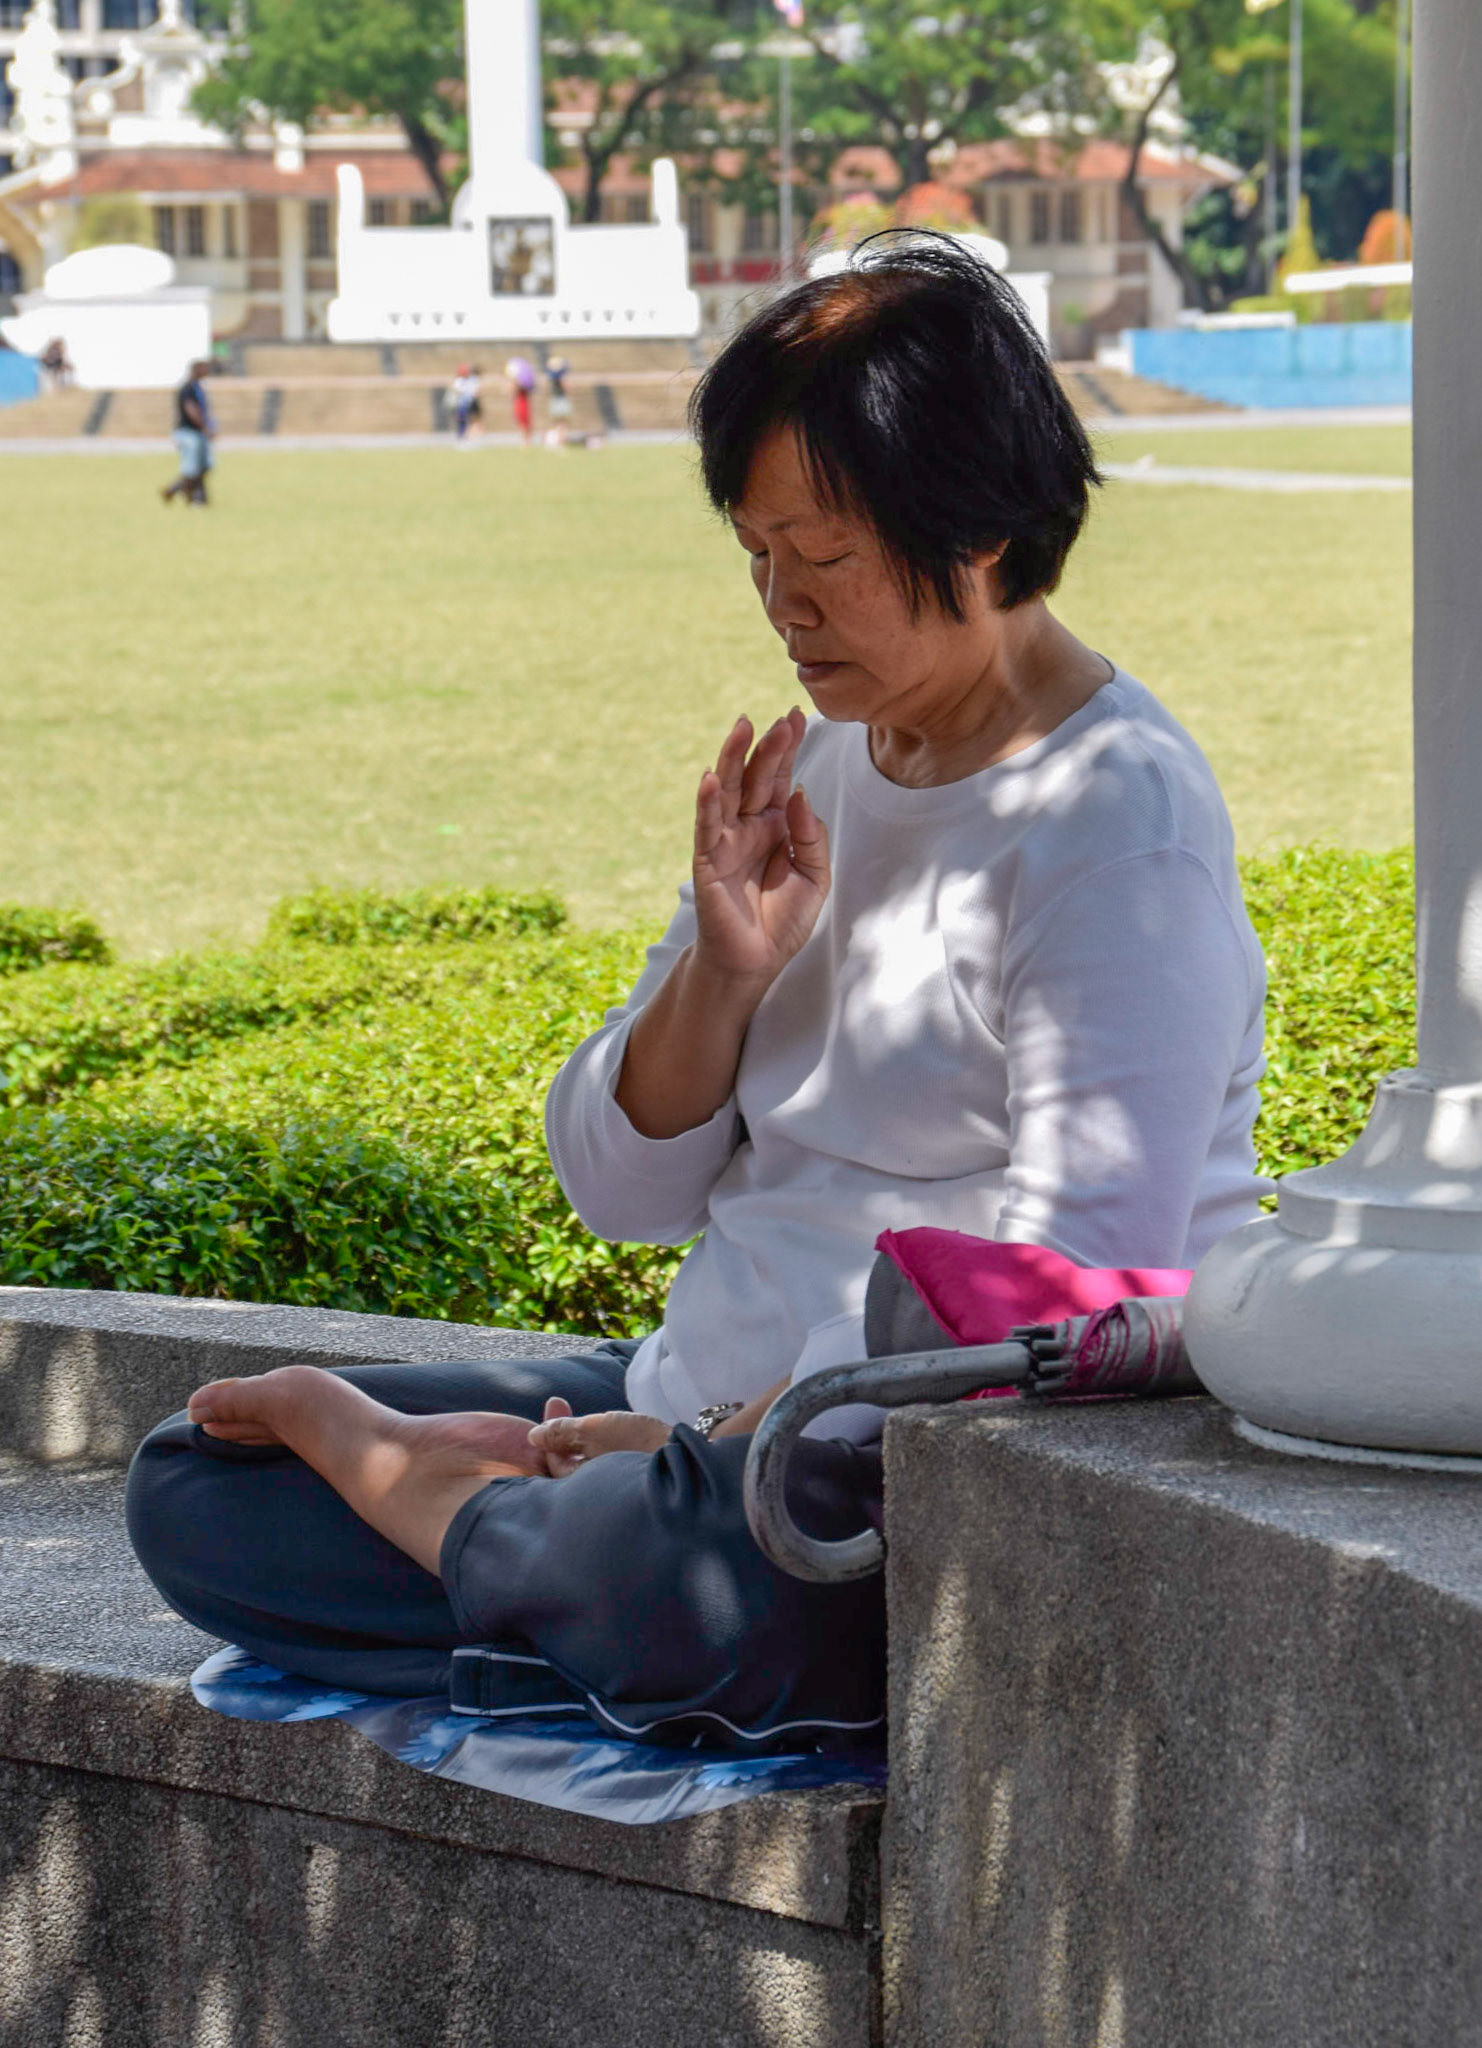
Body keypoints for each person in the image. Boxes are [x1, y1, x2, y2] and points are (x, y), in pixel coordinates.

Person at [127, 236, 1266, 1748]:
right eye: (756, 554)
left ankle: (514, 1549)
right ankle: (542, 1577)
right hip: (686, 1409)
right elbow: (619, 1191)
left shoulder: (1113, 826)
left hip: (864, 1482)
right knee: (193, 1475)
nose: (781, 606)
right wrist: (727, 972)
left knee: (716, 1578)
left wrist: (694, 1445)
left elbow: (1035, 1316)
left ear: (978, 532)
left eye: (827, 554)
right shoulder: (826, 762)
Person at [161, 359, 216, 507]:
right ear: (196, 369)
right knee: (192, 468)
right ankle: (188, 496)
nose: (207, 371)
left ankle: (182, 492)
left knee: (204, 466)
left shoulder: (198, 387)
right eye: (204, 368)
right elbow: (190, 409)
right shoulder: (187, 388)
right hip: (189, 433)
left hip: (198, 433)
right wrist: (204, 427)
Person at [448, 363, 483, 443]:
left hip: (470, 403)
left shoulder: (472, 380)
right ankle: (461, 437)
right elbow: (455, 389)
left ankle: (471, 438)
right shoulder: (459, 380)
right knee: (462, 421)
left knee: (472, 421)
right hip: (462, 404)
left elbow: (476, 390)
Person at [505, 355, 536, 443]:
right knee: (522, 420)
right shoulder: (518, 382)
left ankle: (526, 440)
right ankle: (526, 439)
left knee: (524, 420)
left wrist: (514, 383)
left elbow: (514, 389)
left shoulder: (521, 383)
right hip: (520, 400)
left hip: (521, 401)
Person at [544, 353, 572, 445]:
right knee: (562, 422)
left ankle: (560, 440)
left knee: (558, 422)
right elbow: (567, 388)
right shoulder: (560, 378)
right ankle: (562, 440)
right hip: (561, 400)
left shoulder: (552, 377)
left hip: (555, 399)